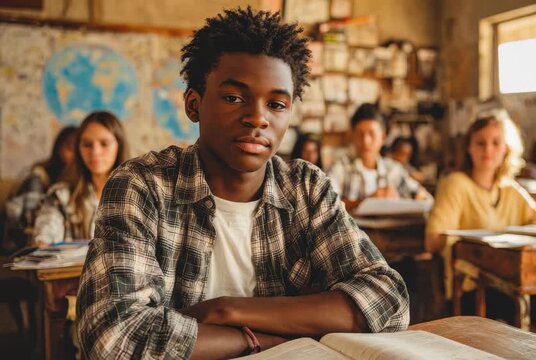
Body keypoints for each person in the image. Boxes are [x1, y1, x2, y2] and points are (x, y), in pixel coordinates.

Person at [76, 8, 409, 359]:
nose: (257, 118)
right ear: (194, 104)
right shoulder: (142, 186)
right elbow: (114, 338)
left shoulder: (306, 189)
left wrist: (226, 311)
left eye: (276, 104)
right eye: (234, 98)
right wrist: (259, 341)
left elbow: (389, 301)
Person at [426, 110, 536, 348]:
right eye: (480, 143)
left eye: (496, 143)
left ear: (507, 148)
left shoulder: (510, 189)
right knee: (513, 334)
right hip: (474, 288)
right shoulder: (455, 184)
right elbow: (432, 240)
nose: (488, 150)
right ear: (468, 148)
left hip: (512, 284)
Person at [32, 111, 129, 245]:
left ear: (119, 146)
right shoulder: (61, 196)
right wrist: (41, 244)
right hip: (72, 266)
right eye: (87, 144)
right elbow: (44, 234)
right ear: (79, 149)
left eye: (104, 143)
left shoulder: (138, 195)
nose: (95, 152)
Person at [327, 103, 431, 212]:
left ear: (383, 137)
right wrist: (368, 201)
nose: (365, 141)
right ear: (352, 136)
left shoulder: (393, 169)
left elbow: (425, 198)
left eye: (371, 134)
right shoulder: (340, 168)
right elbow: (326, 206)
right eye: (360, 134)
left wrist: (413, 198)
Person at [4, 126, 78, 245]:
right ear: (59, 149)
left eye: (78, 150)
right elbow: (28, 221)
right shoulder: (39, 177)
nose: (75, 156)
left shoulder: (79, 181)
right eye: (70, 148)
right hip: (23, 241)